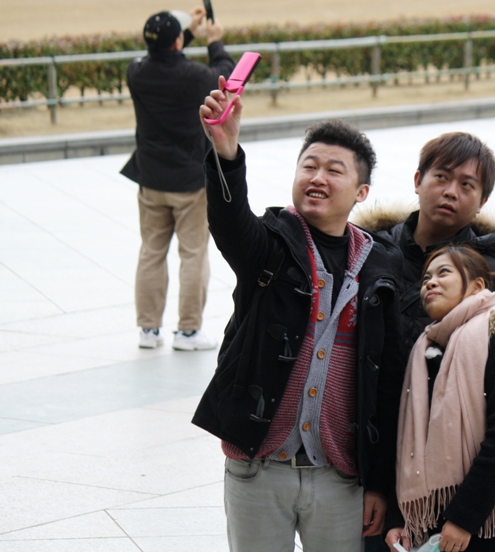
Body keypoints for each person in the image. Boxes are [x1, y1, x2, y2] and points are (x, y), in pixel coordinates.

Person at [192, 78, 405, 552]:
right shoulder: (269, 244)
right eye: (309, 165)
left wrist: (380, 484)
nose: (318, 177)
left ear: (361, 191)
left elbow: (387, 380)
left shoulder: (379, 267)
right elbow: (228, 222)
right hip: (258, 469)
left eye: (334, 170)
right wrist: (227, 152)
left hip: (340, 475)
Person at [385, 244, 495, 552]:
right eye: (425, 278)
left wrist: (464, 517)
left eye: (443, 273)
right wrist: (401, 519)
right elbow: (410, 447)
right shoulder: (424, 353)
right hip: (439, 531)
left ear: (477, 285)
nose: (430, 283)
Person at [354, 132, 495, 362]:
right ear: (418, 181)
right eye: (441, 177)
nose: (451, 192)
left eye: (467, 185)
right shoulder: (369, 249)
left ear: (482, 201)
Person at [121, 6, 233, 350]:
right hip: (189, 181)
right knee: (194, 254)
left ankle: (148, 330)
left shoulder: (136, 72)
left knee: (151, 252)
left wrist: (189, 32)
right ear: (178, 41)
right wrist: (215, 41)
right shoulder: (194, 77)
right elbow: (225, 74)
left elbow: (164, 55)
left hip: (151, 179)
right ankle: (187, 332)